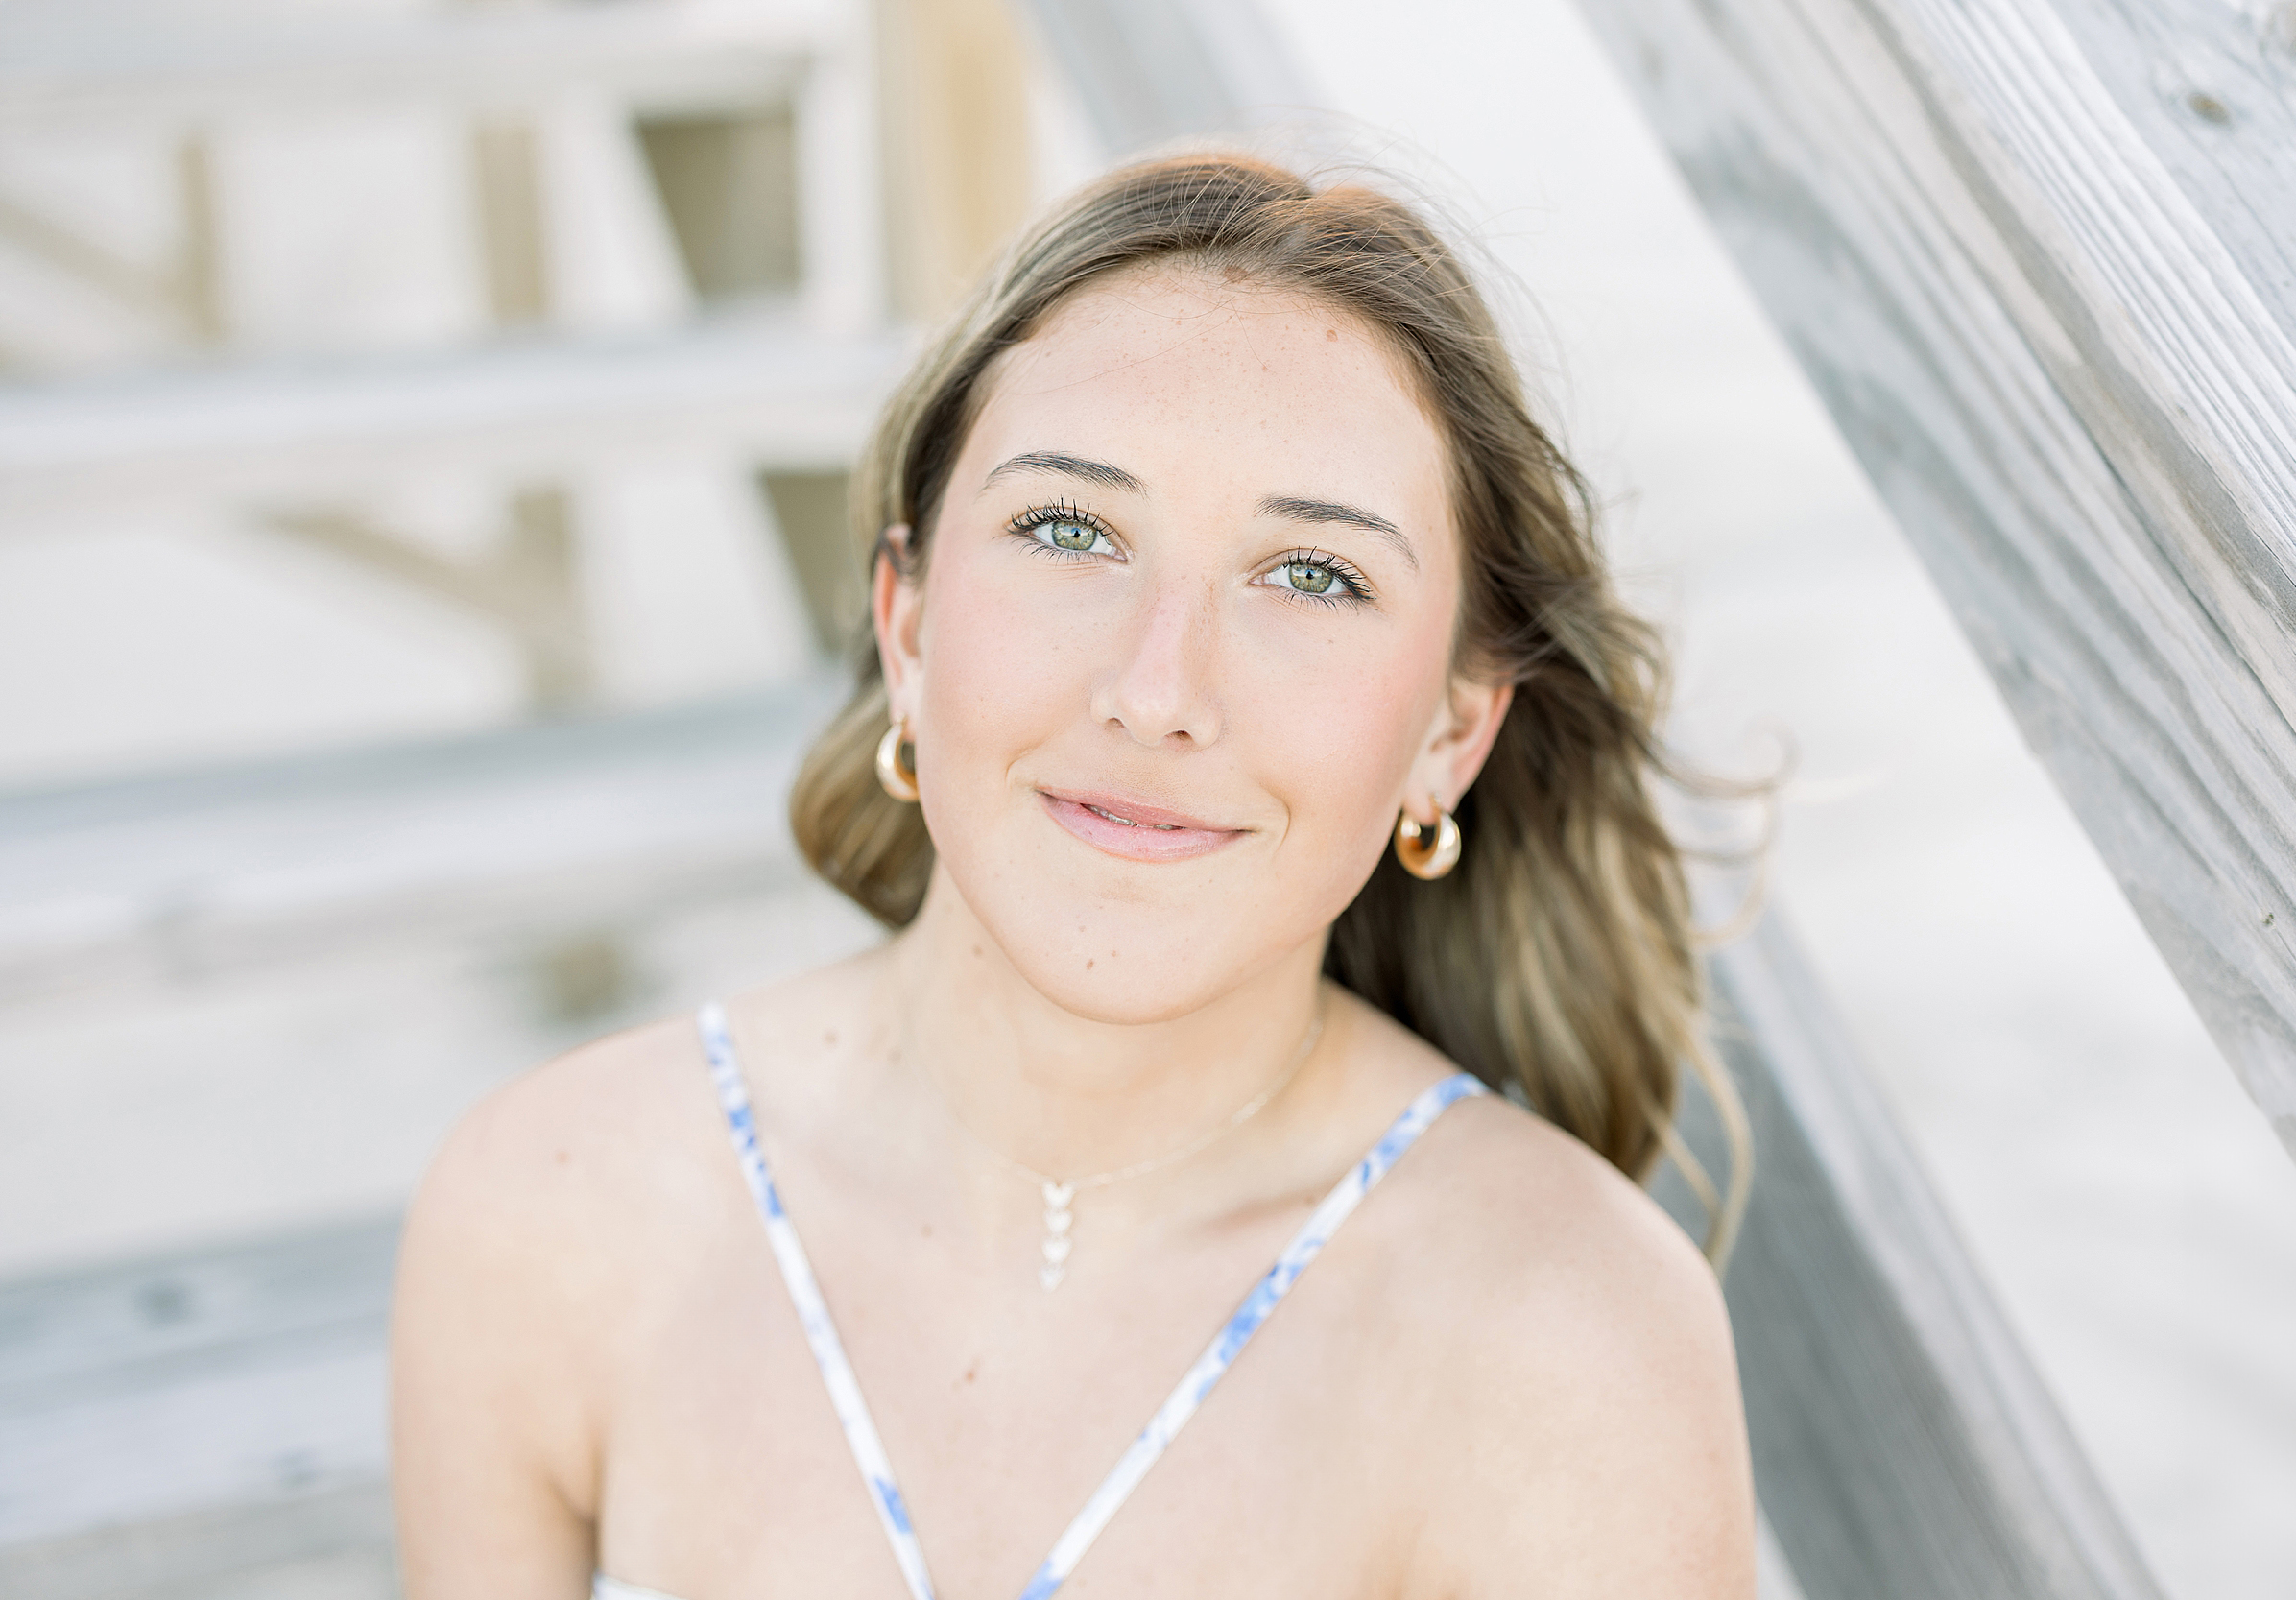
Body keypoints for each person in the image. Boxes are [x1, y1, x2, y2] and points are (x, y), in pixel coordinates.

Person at [391, 152, 1755, 1600]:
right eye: (1068, 529)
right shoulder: (551, 1208)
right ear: (908, 628)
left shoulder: (1574, 1349)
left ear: (1451, 734)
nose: (1157, 690)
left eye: (1310, 575)